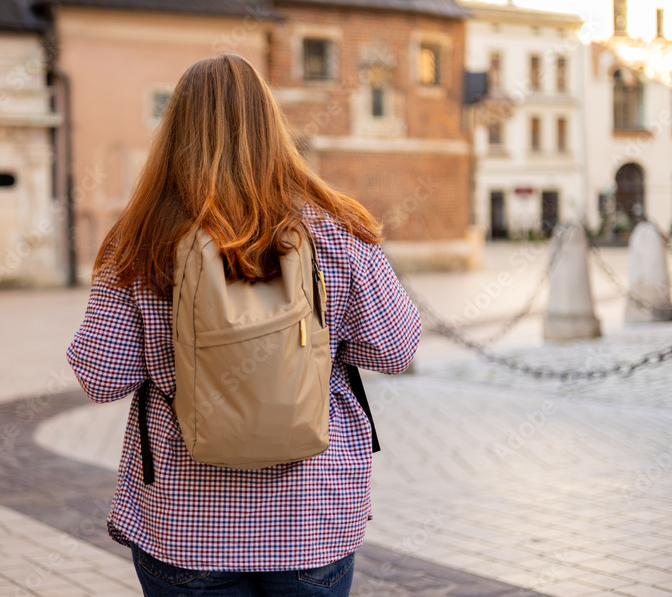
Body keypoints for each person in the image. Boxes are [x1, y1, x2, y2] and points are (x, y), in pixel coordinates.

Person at [67, 54, 421, 596]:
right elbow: (397, 349)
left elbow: (101, 377)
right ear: (270, 124)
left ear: (174, 132)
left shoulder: (138, 240)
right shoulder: (333, 229)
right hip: (310, 519)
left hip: (186, 525)